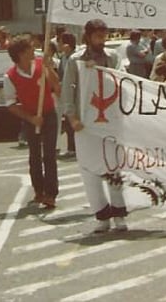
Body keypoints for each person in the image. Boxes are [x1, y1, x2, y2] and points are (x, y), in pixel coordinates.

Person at [62, 19, 129, 233]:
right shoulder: (75, 60)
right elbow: (67, 92)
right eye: (99, 36)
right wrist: (72, 118)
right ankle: (102, 215)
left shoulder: (114, 58)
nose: (103, 40)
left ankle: (119, 213)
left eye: (104, 35)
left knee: (113, 167)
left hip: (110, 122)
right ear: (88, 36)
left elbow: (124, 85)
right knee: (90, 169)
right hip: (85, 124)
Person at [4, 37, 61, 208]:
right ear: (21, 54)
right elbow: (11, 105)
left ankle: (51, 193)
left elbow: (56, 87)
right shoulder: (10, 76)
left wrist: (48, 68)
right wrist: (30, 119)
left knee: (49, 155)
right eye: (30, 48)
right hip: (30, 117)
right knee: (35, 155)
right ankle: (39, 190)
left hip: (49, 114)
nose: (33, 50)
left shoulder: (41, 64)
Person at [57, 32, 78, 159]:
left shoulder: (76, 58)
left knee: (74, 121)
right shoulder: (63, 58)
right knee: (68, 122)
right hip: (65, 94)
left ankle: (75, 148)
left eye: (60, 42)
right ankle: (71, 148)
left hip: (75, 94)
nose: (58, 45)